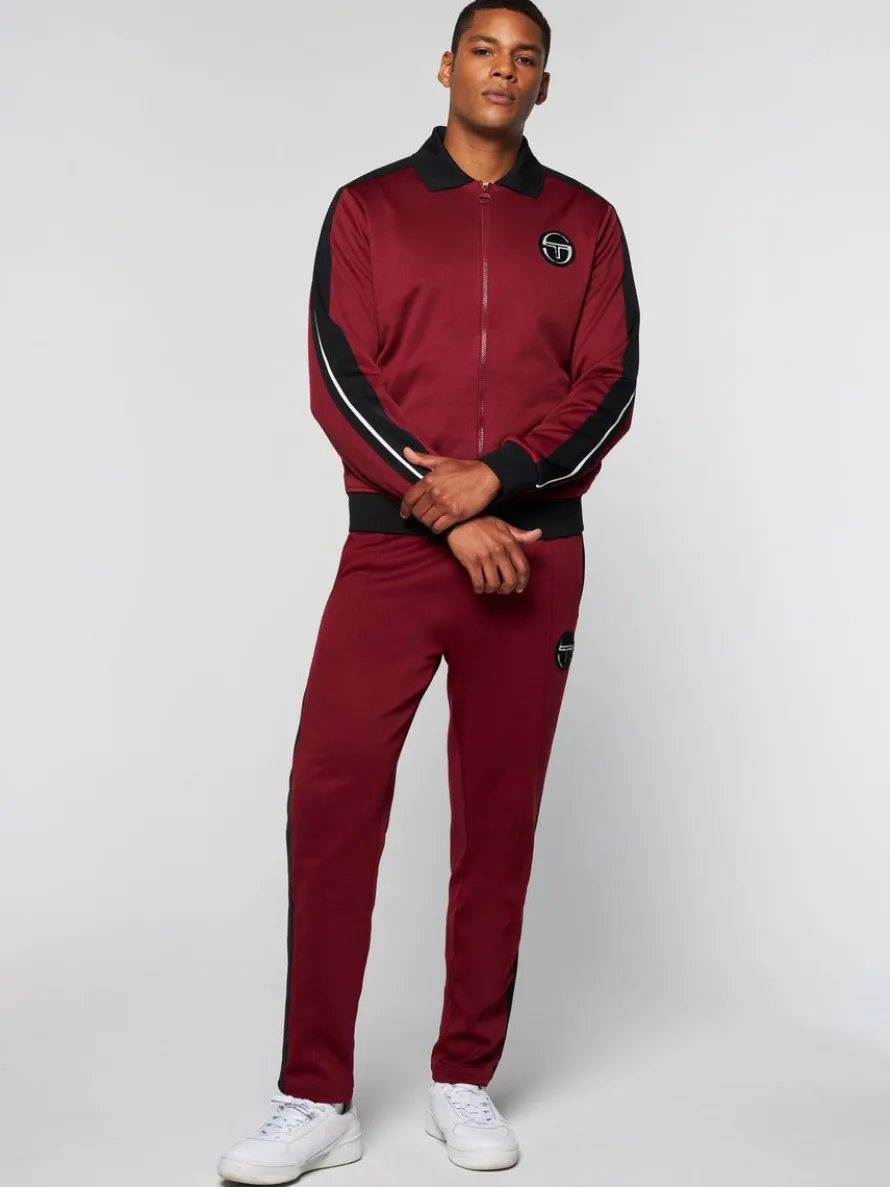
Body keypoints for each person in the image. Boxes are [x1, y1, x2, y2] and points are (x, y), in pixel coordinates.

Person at [217, 0, 640, 1180]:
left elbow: (608, 384)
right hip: (396, 552)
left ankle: (463, 1075)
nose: (503, 70)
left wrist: (499, 478)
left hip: (534, 553)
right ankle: (315, 1093)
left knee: (496, 817)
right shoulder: (367, 209)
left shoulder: (585, 224)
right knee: (331, 800)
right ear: (445, 66)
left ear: (543, 85)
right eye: (484, 51)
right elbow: (338, 376)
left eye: (525, 57)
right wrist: (449, 511)